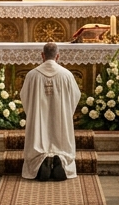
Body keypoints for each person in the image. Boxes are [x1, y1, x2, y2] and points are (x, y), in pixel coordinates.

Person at [20, 42, 81, 182]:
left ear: (42, 55)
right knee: (61, 136)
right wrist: (66, 112)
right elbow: (76, 96)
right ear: (58, 56)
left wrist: (34, 113)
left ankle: (40, 162)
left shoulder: (32, 75)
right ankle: (61, 159)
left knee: (39, 136)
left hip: (38, 119)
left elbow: (24, 97)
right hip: (60, 118)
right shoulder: (67, 75)